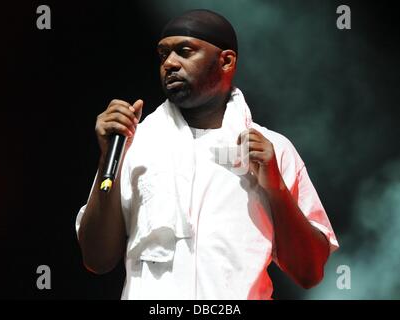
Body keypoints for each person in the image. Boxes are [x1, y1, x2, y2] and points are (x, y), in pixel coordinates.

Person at [75, 9, 339, 300]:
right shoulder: (134, 145)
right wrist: (105, 160)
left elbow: (309, 271)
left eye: (184, 52)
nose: (170, 64)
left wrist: (275, 187)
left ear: (226, 61)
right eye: (163, 55)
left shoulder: (271, 150)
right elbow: (96, 259)